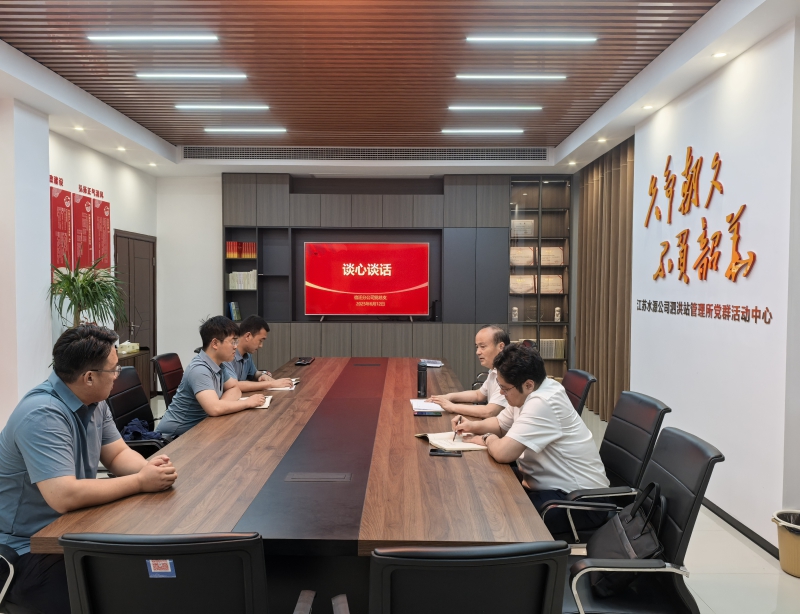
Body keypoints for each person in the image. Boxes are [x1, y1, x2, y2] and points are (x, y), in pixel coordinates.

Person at [0, 324, 178, 614]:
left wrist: (148, 469)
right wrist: (140, 482)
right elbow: (64, 495)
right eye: (114, 369)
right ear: (89, 377)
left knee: (149, 574)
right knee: (116, 594)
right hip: (26, 550)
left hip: (74, 527)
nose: (118, 374)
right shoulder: (42, 414)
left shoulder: (95, 401)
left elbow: (117, 453)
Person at [453, 343, 609, 535]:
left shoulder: (542, 402)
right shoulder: (529, 392)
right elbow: (500, 424)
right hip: (551, 489)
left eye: (505, 388)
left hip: (580, 502)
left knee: (496, 515)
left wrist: (486, 438)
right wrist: (471, 425)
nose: (501, 393)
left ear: (528, 385)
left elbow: (503, 453)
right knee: (485, 489)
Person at [156, 316, 266, 438]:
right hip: (173, 438)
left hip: (202, 427)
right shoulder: (199, 369)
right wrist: (248, 403)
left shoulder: (219, 364)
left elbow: (235, 388)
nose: (236, 346)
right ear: (215, 343)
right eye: (233, 342)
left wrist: (221, 405)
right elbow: (214, 409)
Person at [427, 324, 508, 418]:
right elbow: (478, 395)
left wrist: (452, 407)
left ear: (501, 347)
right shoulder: (495, 369)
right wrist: (448, 397)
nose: (478, 352)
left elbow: (489, 412)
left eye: (482, 346)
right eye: (477, 347)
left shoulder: (508, 373)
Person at [222, 315, 293, 391]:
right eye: (260, 340)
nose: (261, 345)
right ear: (248, 336)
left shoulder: (247, 354)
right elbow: (234, 385)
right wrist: (271, 384)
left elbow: (254, 373)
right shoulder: (227, 354)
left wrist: (262, 375)